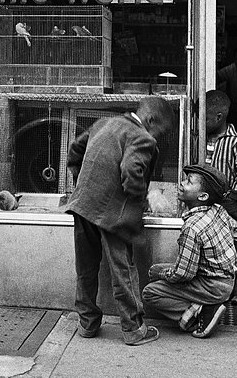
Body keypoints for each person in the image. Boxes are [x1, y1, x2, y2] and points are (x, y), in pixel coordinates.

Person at [66, 96, 175, 346]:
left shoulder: (104, 123)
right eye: (162, 131)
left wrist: (83, 182)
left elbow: (75, 150)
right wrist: (140, 197)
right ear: (150, 120)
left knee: (86, 268)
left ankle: (87, 323)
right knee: (123, 269)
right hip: (112, 214)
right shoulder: (142, 137)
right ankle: (133, 328)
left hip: (83, 205)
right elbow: (131, 171)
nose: (159, 137)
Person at [142, 163, 237, 338]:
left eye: (189, 182)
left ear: (203, 196)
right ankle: (203, 305)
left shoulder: (192, 227)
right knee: (159, 268)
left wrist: (161, 274)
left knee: (150, 291)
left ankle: (201, 313)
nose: (182, 183)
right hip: (229, 281)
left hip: (212, 286)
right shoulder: (218, 210)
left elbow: (184, 275)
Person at [205, 89, 237, 305]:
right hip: (207, 200)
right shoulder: (201, 138)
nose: (201, 122)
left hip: (231, 201)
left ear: (219, 117)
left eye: (205, 118)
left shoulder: (236, 142)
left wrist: (233, 195)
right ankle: (217, 286)